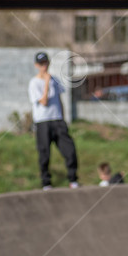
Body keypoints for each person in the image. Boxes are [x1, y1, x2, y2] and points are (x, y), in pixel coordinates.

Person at [28, 52, 79, 190]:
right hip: (43, 121)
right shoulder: (34, 83)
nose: (44, 66)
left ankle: (73, 179)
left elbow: (60, 101)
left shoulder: (55, 80)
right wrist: (46, 83)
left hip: (57, 120)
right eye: (41, 64)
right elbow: (43, 102)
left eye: (45, 63)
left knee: (70, 150)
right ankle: (46, 182)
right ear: (36, 65)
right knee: (44, 153)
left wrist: (63, 118)